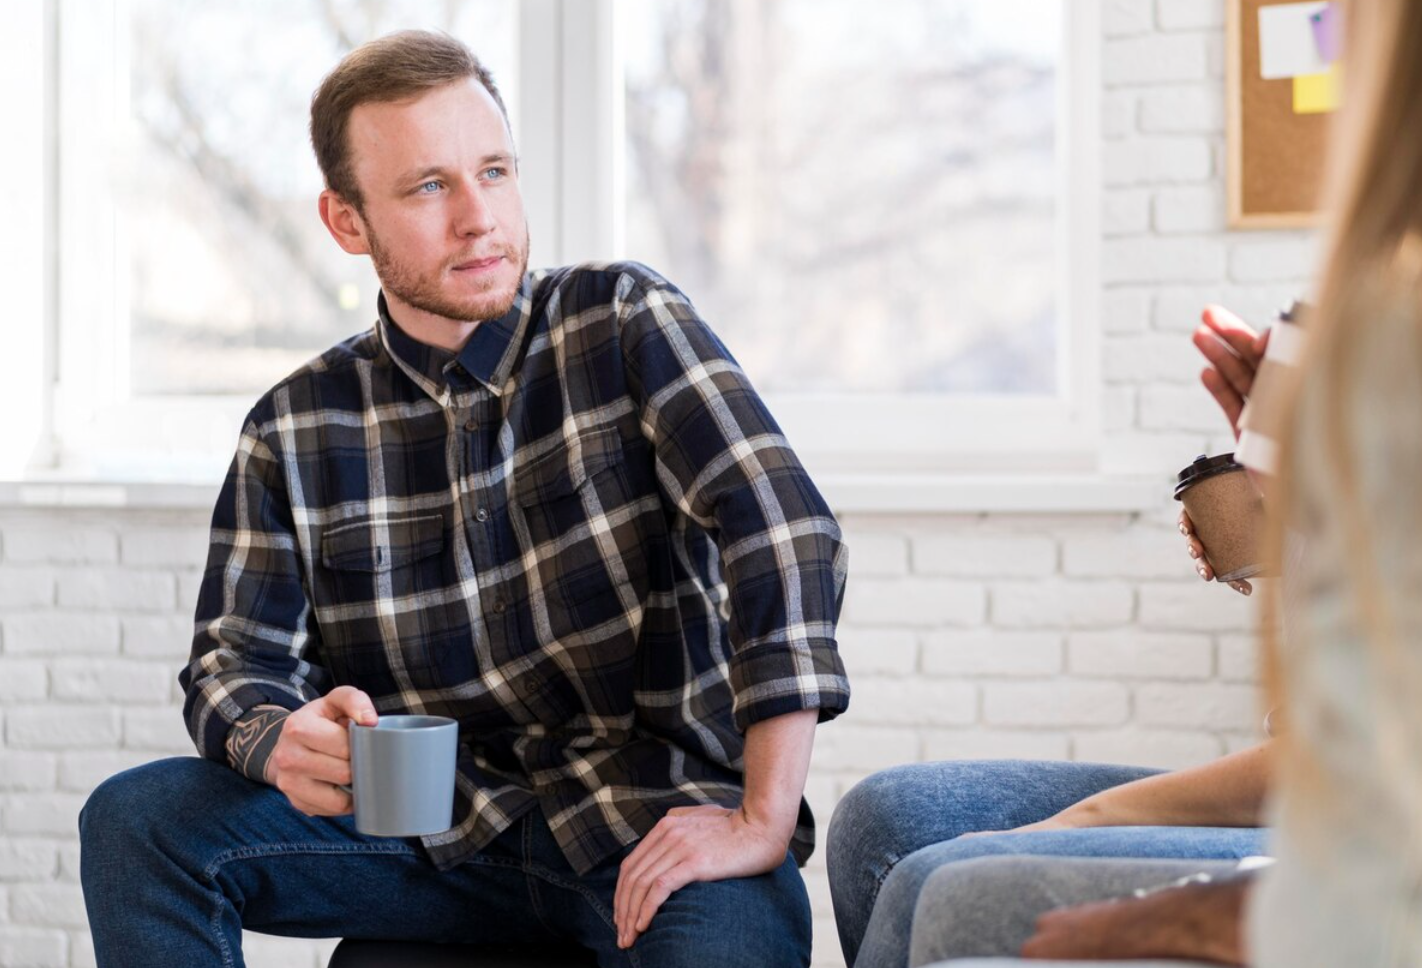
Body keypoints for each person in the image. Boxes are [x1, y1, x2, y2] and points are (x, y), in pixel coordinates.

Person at [77, 30, 849, 968]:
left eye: (494, 171)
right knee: (138, 821)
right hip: (428, 839)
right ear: (347, 221)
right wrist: (277, 738)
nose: (480, 217)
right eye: (430, 186)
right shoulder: (293, 427)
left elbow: (785, 527)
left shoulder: (623, 321)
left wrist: (762, 818)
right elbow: (231, 661)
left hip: (650, 826)